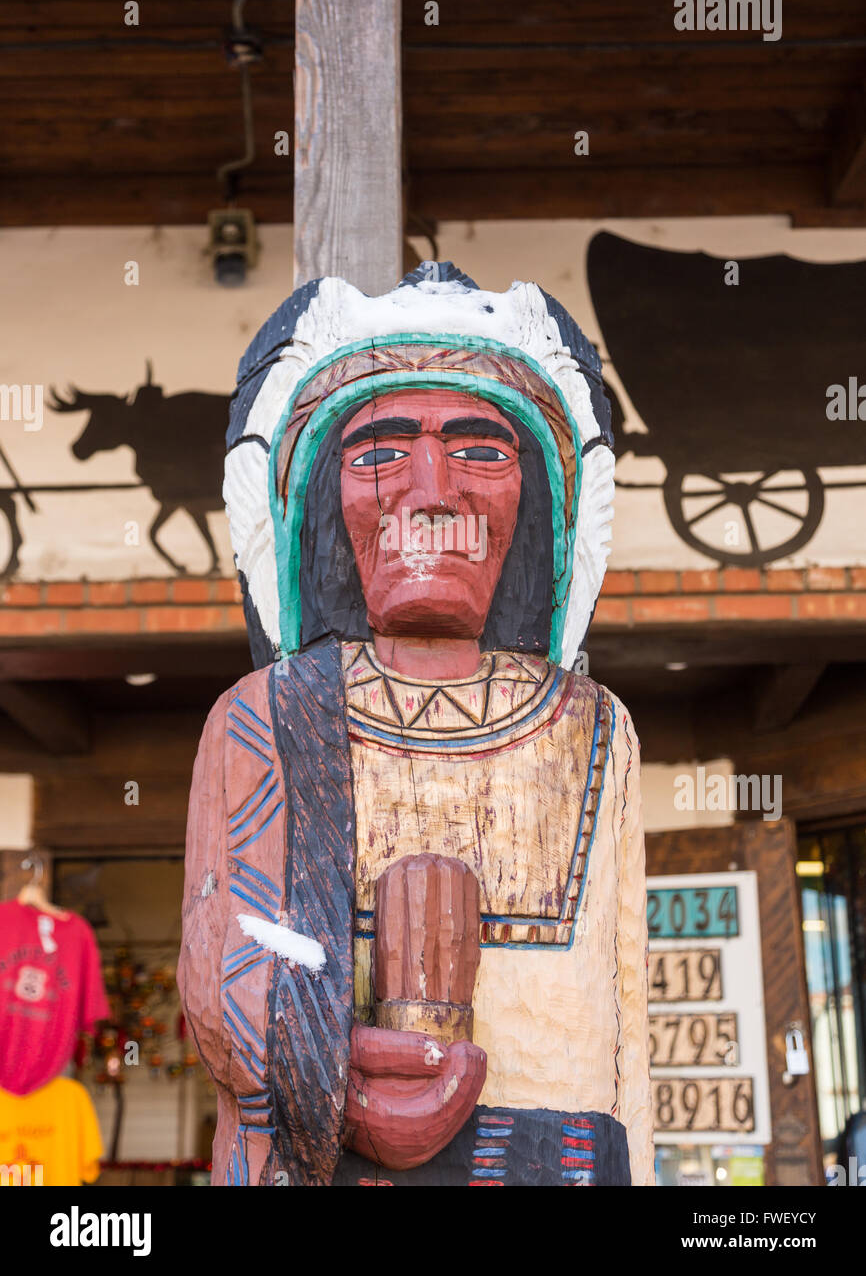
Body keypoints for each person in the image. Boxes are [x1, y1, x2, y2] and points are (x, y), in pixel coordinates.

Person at [178, 261, 652, 1186]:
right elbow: (227, 953)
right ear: (319, 502)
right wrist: (333, 1072)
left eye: (481, 450)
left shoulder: (594, 727)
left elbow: (625, 1011)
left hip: (558, 1155)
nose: (430, 490)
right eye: (379, 452)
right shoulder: (269, 714)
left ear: (541, 503)